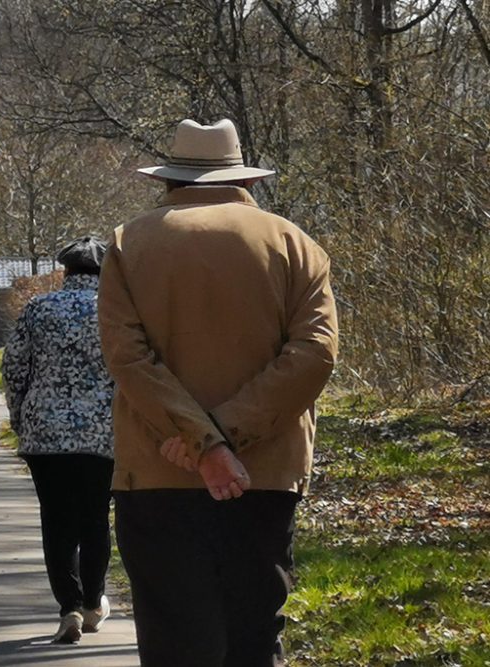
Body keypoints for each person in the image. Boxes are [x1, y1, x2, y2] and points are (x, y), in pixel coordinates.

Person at [97, 119, 339, 666]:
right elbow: (315, 354)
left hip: (157, 474)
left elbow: (128, 358)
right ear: (246, 182)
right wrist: (226, 438)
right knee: (254, 636)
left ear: (170, 181)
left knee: (175, 639)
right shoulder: (296, 245)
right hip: (266, 473)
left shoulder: (128, 243)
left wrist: (203, 444)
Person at [3, 237, 115, 645]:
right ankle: (92, 602)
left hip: (44, 432)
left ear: (65, 272)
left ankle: (67, 607)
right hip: (103, 433)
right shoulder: (116, 311)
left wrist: (19, 414)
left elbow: (14, 365)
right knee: (95, 518)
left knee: (56, 519)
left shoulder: (38, 308)